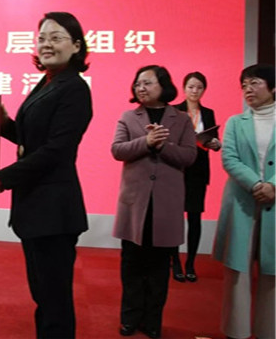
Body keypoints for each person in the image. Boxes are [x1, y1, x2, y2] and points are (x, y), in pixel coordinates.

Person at [0, 12, 92, 338]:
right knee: (44, 295)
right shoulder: (48, 82)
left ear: (76, 46)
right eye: (42, 38)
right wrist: (4, 123)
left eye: (56, 37)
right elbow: (32, 141)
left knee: (54, 301)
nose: (46, 44)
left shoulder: (74, 88)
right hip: (36, 208)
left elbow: (55, 151)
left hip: (54, 212)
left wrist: (2, 178)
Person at [111, 65, 196, 338]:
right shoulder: (128, 117)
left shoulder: (181, 119)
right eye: (138, 83)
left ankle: (152, 322)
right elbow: (117, 150)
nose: (141, 88)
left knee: (159, 268)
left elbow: (189, 156)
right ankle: (129, 318)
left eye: (147, 83)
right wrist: (146, 142)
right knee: (131, 265)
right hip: (134, 204)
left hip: (166, 205)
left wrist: (163, 146)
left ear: (163, 86)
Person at [213, 64, 275, 339]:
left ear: (273, 87)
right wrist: (256, 185)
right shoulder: (236, 122)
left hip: (275, 201)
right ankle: (236, 332)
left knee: (273, 271)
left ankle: (269, 331)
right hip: (242, 201)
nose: (248, 89)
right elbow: (229, 158)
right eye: (244, 85)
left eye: (255, 83)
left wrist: (273, 185)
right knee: (238, 271)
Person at [170, 72, 221, 283]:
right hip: (177, 169)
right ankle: (175, 262)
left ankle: (190, 263)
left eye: (199, 87)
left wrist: (215, 144)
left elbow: (214, 138)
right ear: (184, 88)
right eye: (191, 87)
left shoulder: (208, 113)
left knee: (195, 217)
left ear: (204, 90)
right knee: (174, 218)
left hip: (198, 171)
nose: (194, 91)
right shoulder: (174, 111)